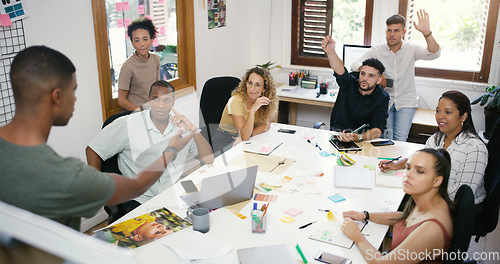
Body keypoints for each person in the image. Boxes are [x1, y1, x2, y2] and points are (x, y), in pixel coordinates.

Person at [0, 46, 195, 231]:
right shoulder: (63, 174)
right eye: (73, 90)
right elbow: (136, 186)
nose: (75, 99)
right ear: (56, 96)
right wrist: (171, 150)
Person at [87, 80, 214, 207]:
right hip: (138, 198)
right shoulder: (127, 124)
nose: (161, 105)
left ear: (173, 103)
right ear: (148, 100)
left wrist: (193, 129)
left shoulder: (181, 127)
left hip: (172, 194)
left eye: (167, 100)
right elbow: (93, 149)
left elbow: (208, 159)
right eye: (156, 99)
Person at [343, 148, 453, 263]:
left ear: (437, 181)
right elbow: (405, 218)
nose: (408, 174)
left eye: (419, 171)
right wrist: (366, 215)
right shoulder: (431, 200)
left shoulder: (431, 229)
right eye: (408, 167)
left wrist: (357, 237)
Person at [379, 90, 487, 206]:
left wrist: (423, 192)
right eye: (438, 111)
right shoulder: (436, 139)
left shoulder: (475, 148)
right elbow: (420, 159)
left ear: (463, 116)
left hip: (458, 209)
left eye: (448, 112)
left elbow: (461, 194)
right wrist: (396, 165)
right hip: (433, 199)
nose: (440, 116)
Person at [351, 10, 441, 142]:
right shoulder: (378, 50)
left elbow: (435, 54)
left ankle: (396, 163)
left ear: (403, 32)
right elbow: (354, 65)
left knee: (400, 139)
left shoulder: (411, 49)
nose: (392, 34)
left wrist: (427, 33)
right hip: (385, 102)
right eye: (389, 30)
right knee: (385, 139)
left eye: (396, 30)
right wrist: (375, 77)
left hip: (406, 102)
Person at [321, 35, 389, 142]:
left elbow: (378, 129)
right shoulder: (349, 83)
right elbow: (339, 69)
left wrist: (359, 137)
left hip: (361, 140)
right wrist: (330, 52)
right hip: (338, 134)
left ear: (379, 80)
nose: (365, 79)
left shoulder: (382, 97)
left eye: (371, 76)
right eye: (363, 73)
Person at [212, 67, 278, 154]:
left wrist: (246, 135)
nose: (252, 88)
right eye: (250, 83)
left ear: (264, 89)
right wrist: (253, 110)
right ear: (245, 84)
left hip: (246, 138)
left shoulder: (264, 101)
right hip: (225, 140)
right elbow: (245, 136)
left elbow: (266, 126)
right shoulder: (235, 101)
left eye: (257, 85)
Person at [118, 17, 161, 111]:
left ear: (152, 40)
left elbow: (156, 88)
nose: (141, 44)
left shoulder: (156, 59)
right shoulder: (128, 66)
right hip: (133, 113)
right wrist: (140, 112)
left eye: (145, 39)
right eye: (137, 40)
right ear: (132, 43)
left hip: (150, 110)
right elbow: (121, 100)